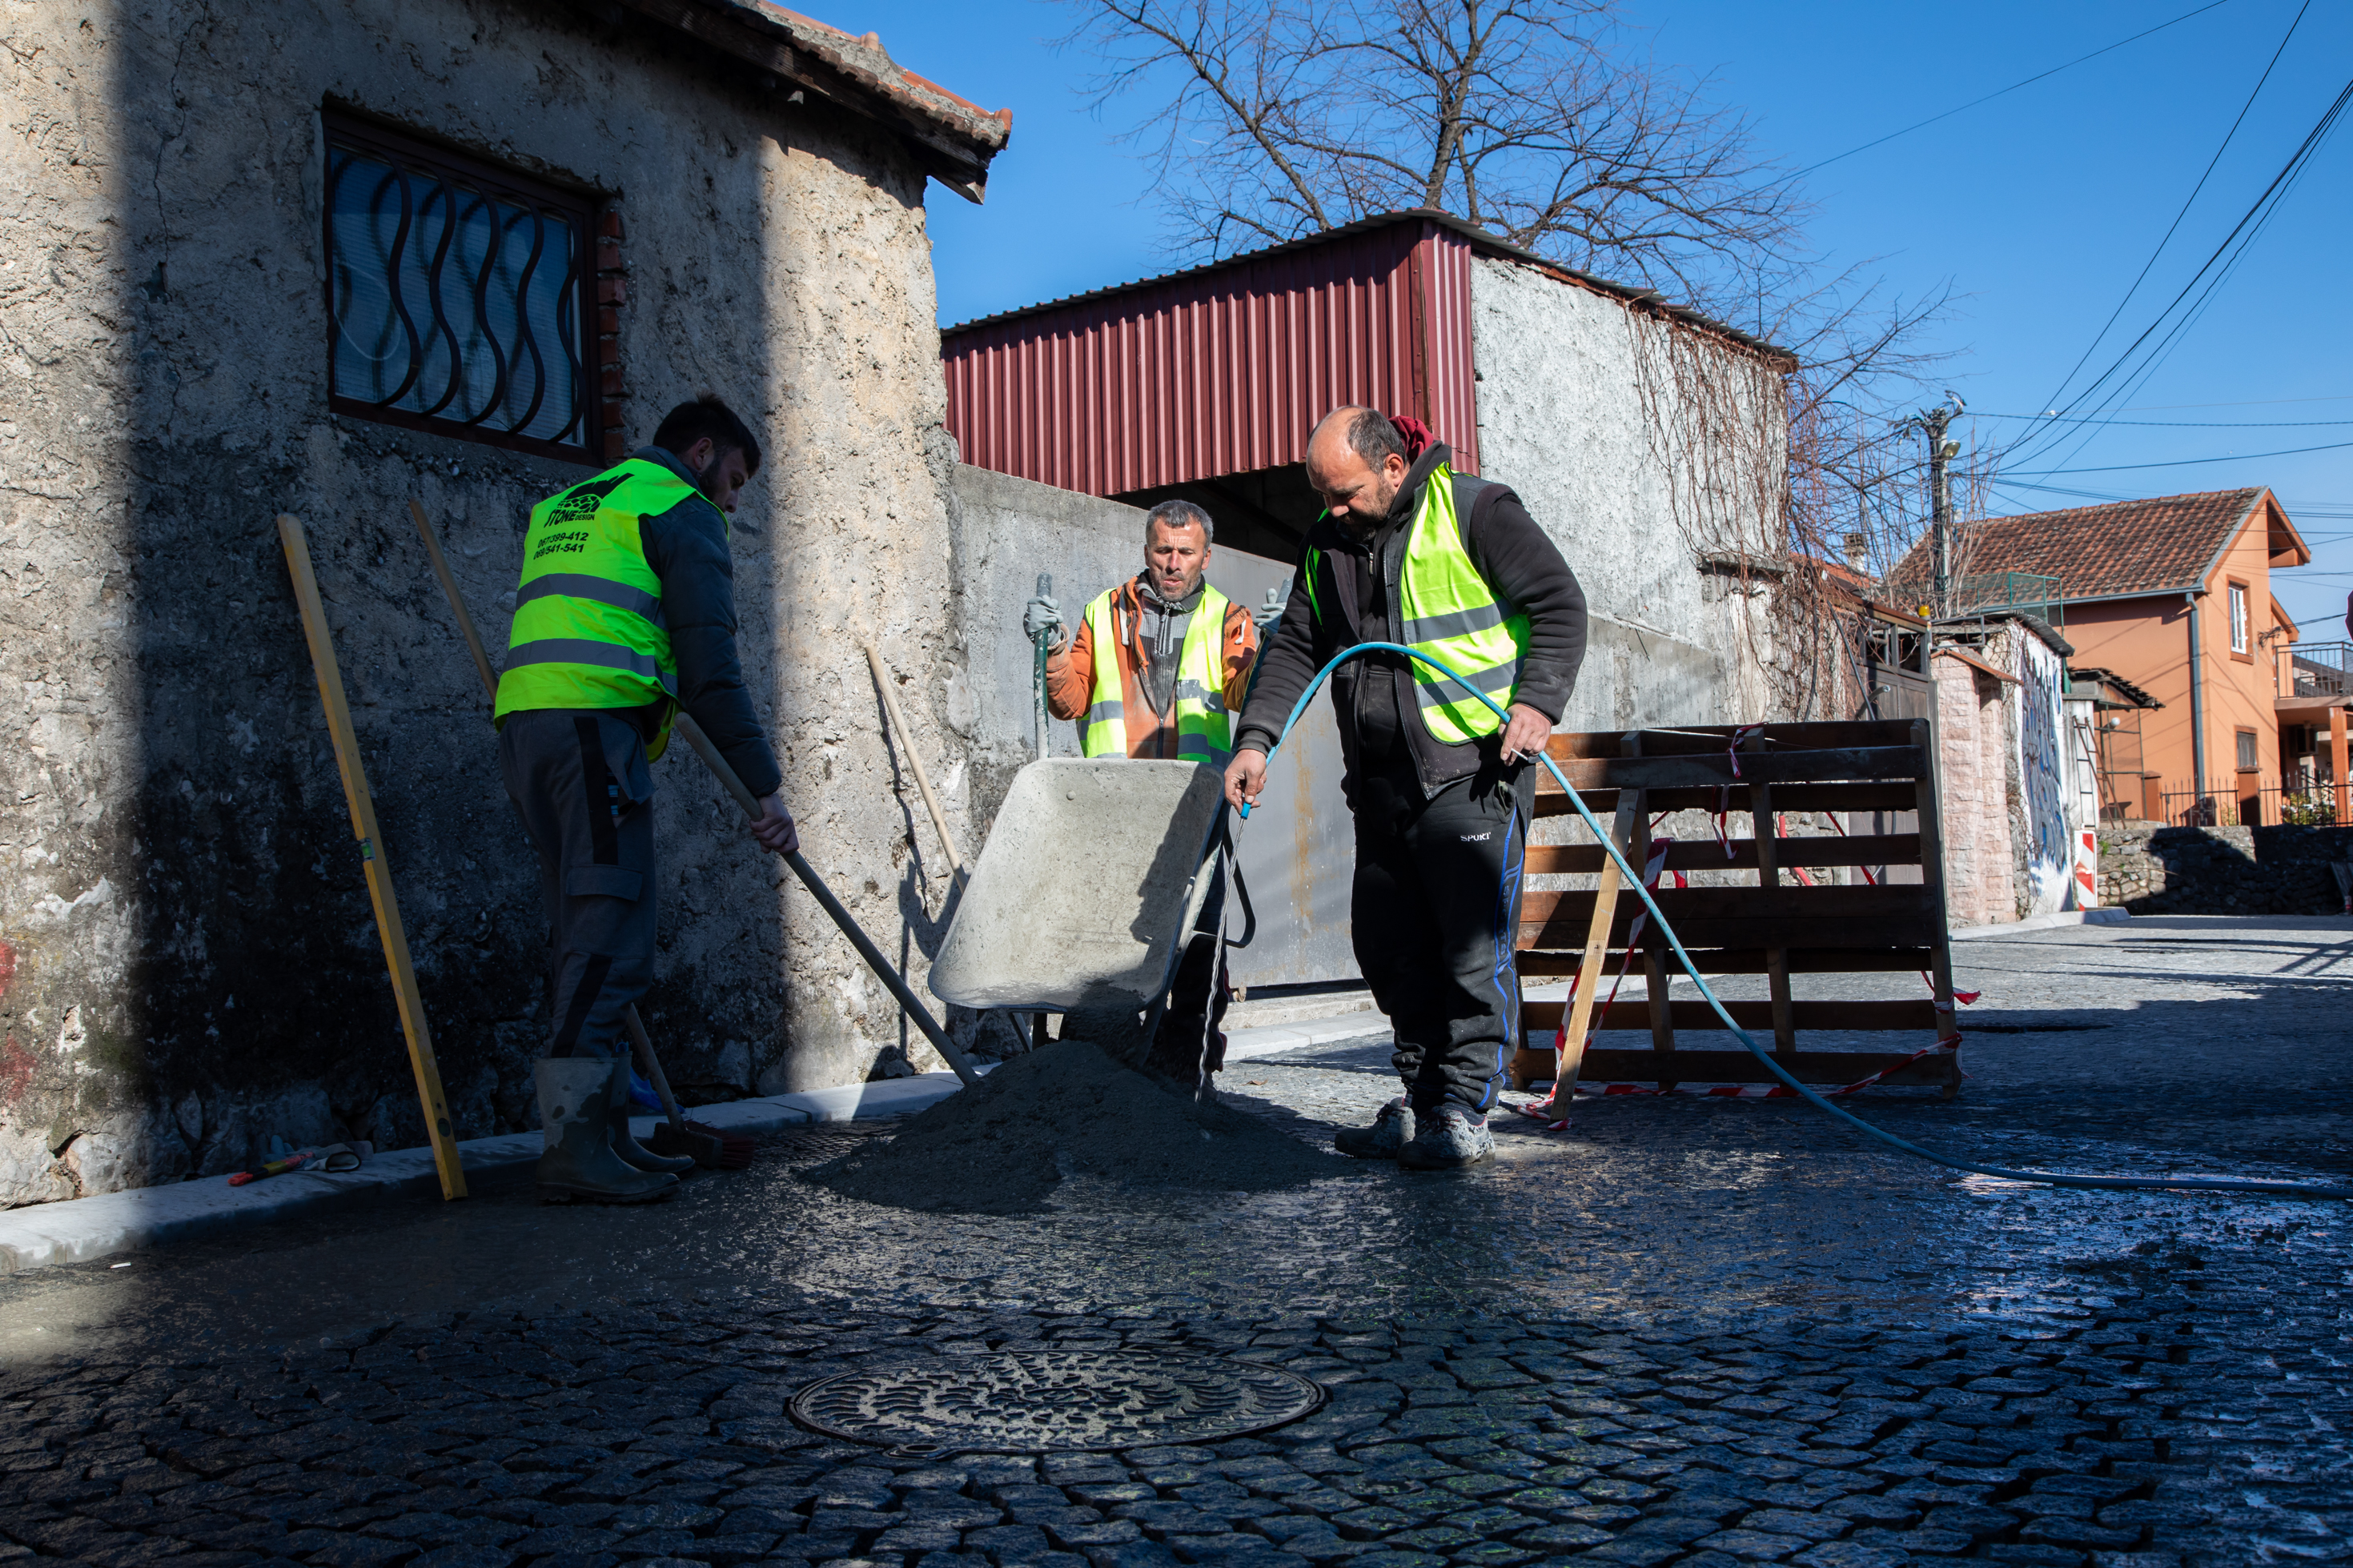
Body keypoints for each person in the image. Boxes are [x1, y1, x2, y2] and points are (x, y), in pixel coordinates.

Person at [1224, 409, 1588, 1169]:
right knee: (1390, 947)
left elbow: (1559, 603)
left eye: (1344, 491)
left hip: (1473, 772)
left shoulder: (1478, 511)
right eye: (1321, 494)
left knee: (1467, 950)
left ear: (1392, 468)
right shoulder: (1327, 546)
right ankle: (1421, 1101)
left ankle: (1462, 1107)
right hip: (1381, 783)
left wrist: (1537, 702)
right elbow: (1294, 645)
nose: (1331, 508)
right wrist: (1257, 739)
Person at [495, 394, 797, 1204]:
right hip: (594, 732)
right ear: (700, 454)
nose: (732, 502)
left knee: (584, 927)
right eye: (732, 480)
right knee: (608, 937)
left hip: (530, 730)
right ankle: (573, 1154)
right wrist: (766, 790)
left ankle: (610, 1140)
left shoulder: (574, 502)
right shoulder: (677, 508)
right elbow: (711, 675)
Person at [1026, 500, 1259, 1093]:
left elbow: (1240, 693)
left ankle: (1188, 1066)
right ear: (1146, 550)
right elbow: (1069, 702)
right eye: (1162, 550)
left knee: (1199, 941)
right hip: (1116, 809)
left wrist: (1270, 652)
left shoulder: (1229, 618)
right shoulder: (1103, 613)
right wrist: (1052, 649)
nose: (1172, 563)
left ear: (1206, 556)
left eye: (1185, 553)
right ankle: (1108, 1061)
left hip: (1194, 808)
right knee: (1110, 936)